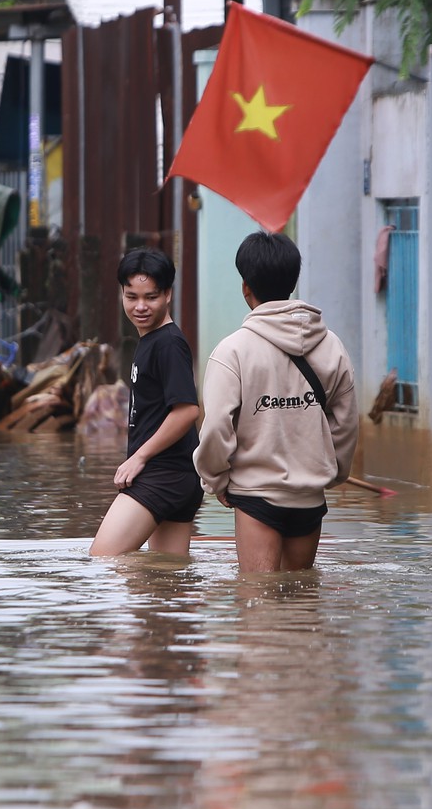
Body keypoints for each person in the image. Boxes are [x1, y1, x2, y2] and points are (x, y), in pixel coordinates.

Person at [196, 231, 359, 574]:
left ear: (245, 288)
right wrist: (333, 473)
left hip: (257, 496)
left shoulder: (232, 351)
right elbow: (345, 424)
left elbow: (215, 428)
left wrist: (215, 480)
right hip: (310, 498)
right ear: (292, 281)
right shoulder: (332, 345)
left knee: (259, 603)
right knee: (301, 604)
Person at [89, 248, 203, 557]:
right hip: (179, 476)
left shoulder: (167, 342)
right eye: (132, 296)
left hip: (163, 474)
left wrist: (139, 457)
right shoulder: (152, 340)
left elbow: (187, 410)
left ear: (167, 294)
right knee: (164, 577)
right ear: (122, 294)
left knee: (103, 563)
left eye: (150, 297)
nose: (140, 306)